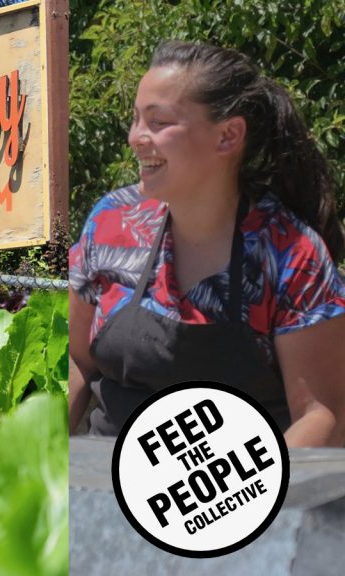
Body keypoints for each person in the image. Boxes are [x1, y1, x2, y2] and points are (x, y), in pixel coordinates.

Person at [68, 40, 345, 447]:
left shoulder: (290, 253)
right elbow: (77, 361)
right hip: (101, 491)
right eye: (136, 120)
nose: (135, 138)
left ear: (228, 136)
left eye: (158, 122)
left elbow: (325, 416)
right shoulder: (109, 222)